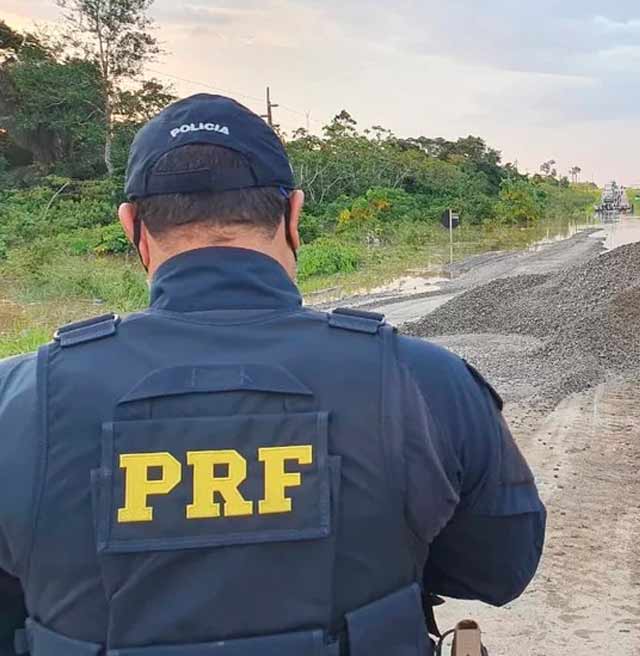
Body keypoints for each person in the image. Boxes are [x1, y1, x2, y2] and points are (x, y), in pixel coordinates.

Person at [0, 94, 545, 655]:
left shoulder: (16, 398)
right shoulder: (427, 380)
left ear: (131, 225)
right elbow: (500, 569)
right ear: (293, 214)